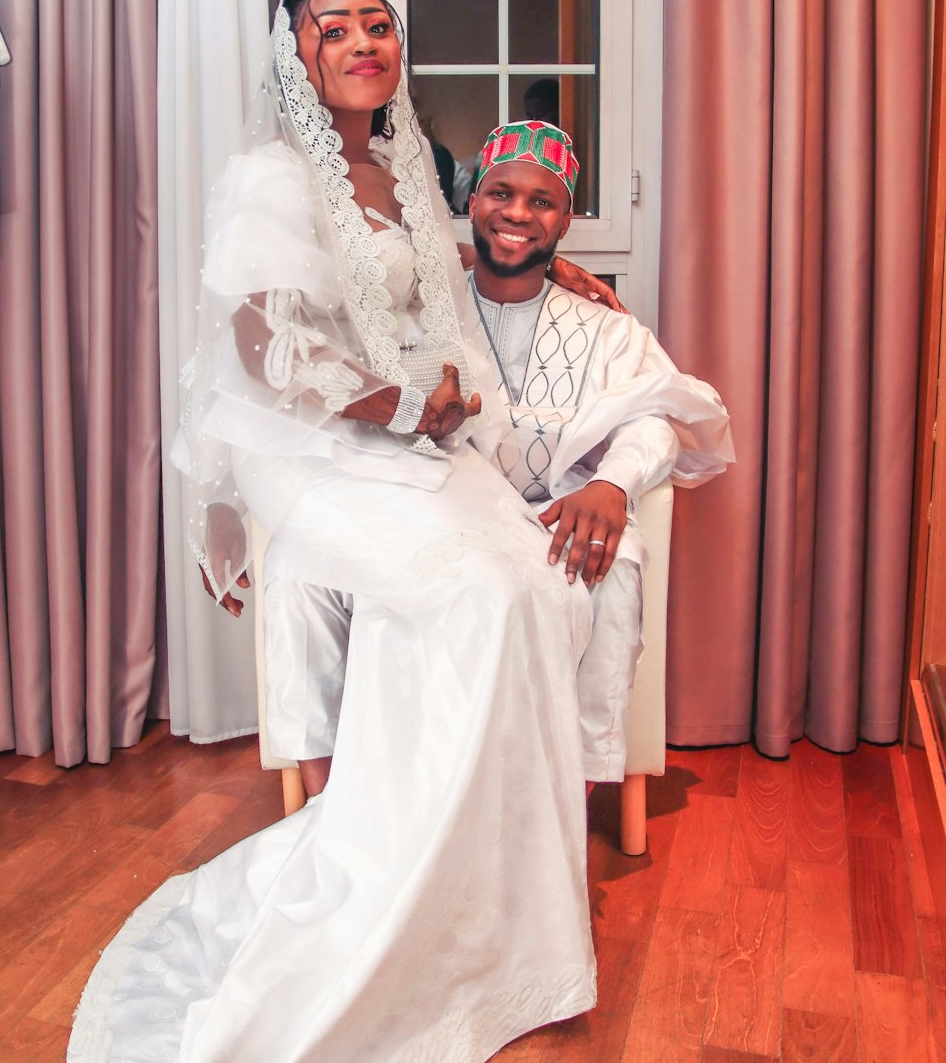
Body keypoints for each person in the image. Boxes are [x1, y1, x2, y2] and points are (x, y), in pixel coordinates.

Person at [67, 0, 604, 1063]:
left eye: (378, 24)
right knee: (462, 591)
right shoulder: (269, 179)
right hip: (311, 444)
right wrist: (393, 411)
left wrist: (548, 273)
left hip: (415, 430)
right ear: (299, 58)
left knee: (526, 583)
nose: (363, 40)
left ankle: (501, 914)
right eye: (334, 28)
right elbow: (263, 353)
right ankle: (395, 897)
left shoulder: (418, 167)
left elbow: (461, 274)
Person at [259, 121, 734, 790]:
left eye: (542, 202)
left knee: (617, 554)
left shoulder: (608, 328)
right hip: (441, 516)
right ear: (472, 202)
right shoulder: (418, 316)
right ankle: (337, 803)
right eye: (500, 194)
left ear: (566, 218)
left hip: (548, 519)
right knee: (301, 561)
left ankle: (576, 796)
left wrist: (613, 485)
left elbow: (658, 412)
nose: (517, 213)